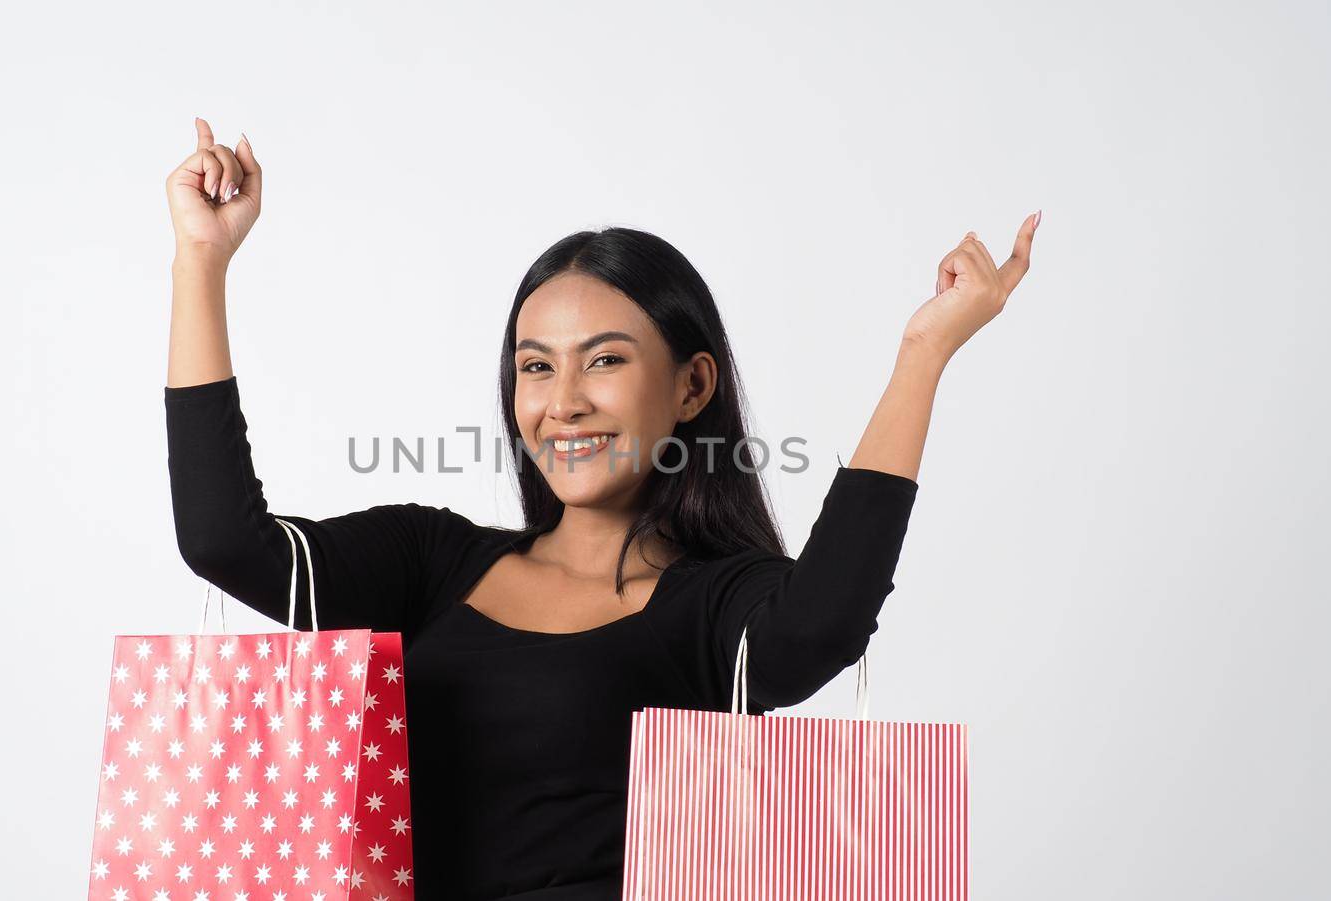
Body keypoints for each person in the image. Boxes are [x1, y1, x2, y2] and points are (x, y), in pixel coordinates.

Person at [162, 116, 1038, 900]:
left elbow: (822, 630)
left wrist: (922, 355)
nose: (564, 400)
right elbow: (222, 541)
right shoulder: (429, 563)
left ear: (693, 385)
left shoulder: (714, 605)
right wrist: (201, 261)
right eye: (537, 366)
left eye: (605, 361)